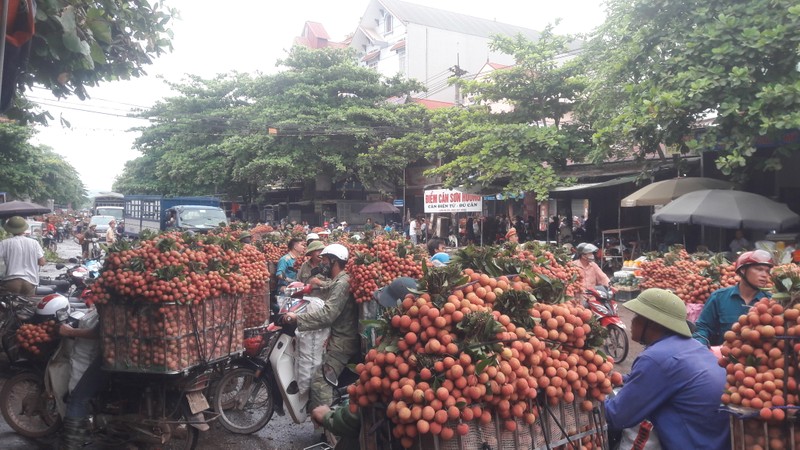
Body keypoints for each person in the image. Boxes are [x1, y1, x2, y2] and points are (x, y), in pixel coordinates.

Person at [605, 288, 729, 450]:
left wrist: (592, 396)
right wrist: (626, 379)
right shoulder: (693, 346)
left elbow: (617, 415)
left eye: (637, 317)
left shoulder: (656, 357)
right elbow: (667, 378)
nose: (632, 322)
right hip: (714, 440)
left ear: (652, 323)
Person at [283, 244, 359, 410]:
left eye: (324, 260)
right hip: (336, 336)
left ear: (333, 261)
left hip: (342, 342)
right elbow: (327, 289)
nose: (322, 263)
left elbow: (328, 314)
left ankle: (327, 429)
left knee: (320, 383)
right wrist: (309, 288)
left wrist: (298, 319)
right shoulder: (338, 280)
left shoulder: (342, 283)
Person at [693, 250, 772, 347]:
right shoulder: (718, 298)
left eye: (767, 271)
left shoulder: (771, 302)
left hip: (759, 359)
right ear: (743, 270)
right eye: (759, 269)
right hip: (723, 358)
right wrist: (701, 346)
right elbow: (703, 328)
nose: (765, 275)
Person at [0, 216, 46, 296]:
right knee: (28, 307)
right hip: (30, 282)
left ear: (10, 229)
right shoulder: (34, 243)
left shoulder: (4, 243)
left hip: (11, 281)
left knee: (8, 307)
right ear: (24, 229)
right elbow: (42, 262)